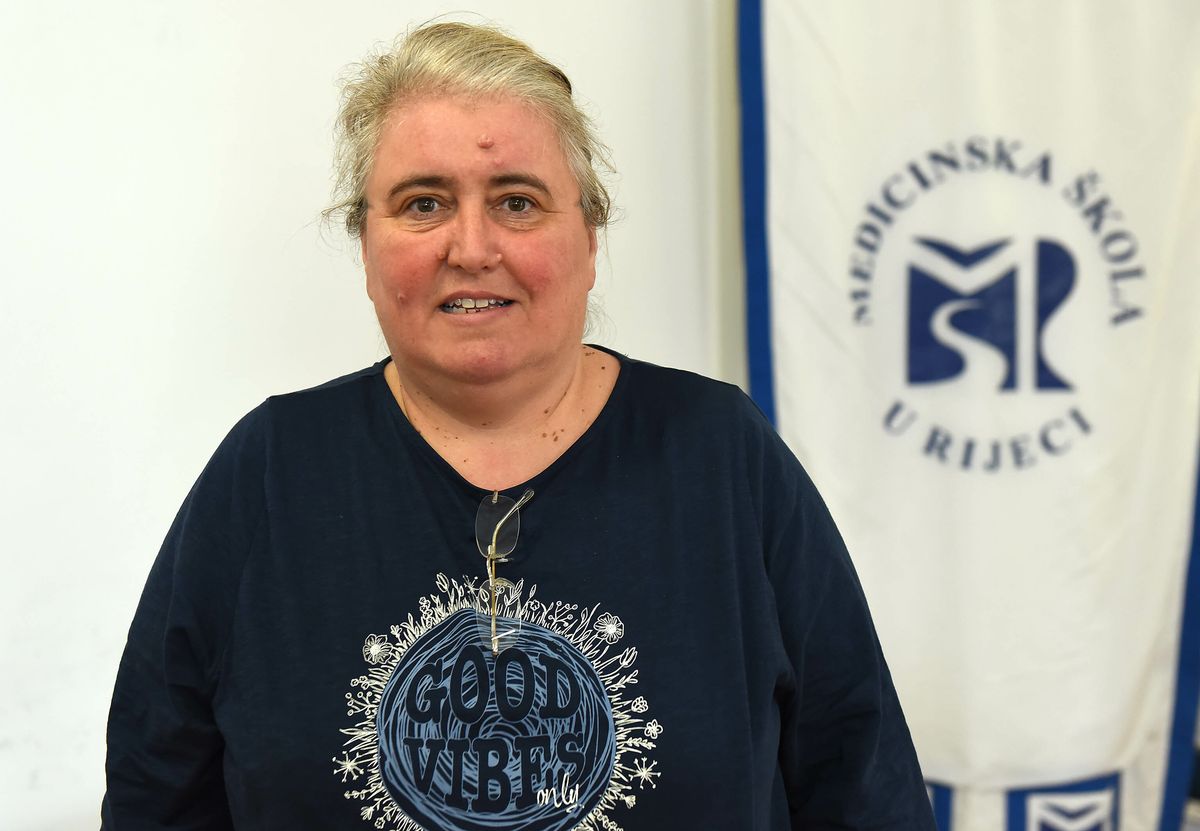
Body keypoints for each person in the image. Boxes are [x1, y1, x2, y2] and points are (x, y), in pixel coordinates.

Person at [102, 21, 935, 830]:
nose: (471, 247)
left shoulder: (724, 459)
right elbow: (155, 798)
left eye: (516, 202)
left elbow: (866, 797)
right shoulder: (267, 476)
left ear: (589, 239)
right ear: (365, 246)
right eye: (423, 203)